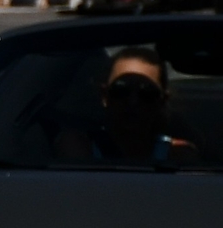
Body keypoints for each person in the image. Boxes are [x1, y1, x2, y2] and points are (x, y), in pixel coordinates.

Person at [57, 48, 201, 165]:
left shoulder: (179, 155)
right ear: (104, 96)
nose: (133, 102)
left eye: (146, 93)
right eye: (121, 90)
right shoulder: (79, 148)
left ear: (162, 101)